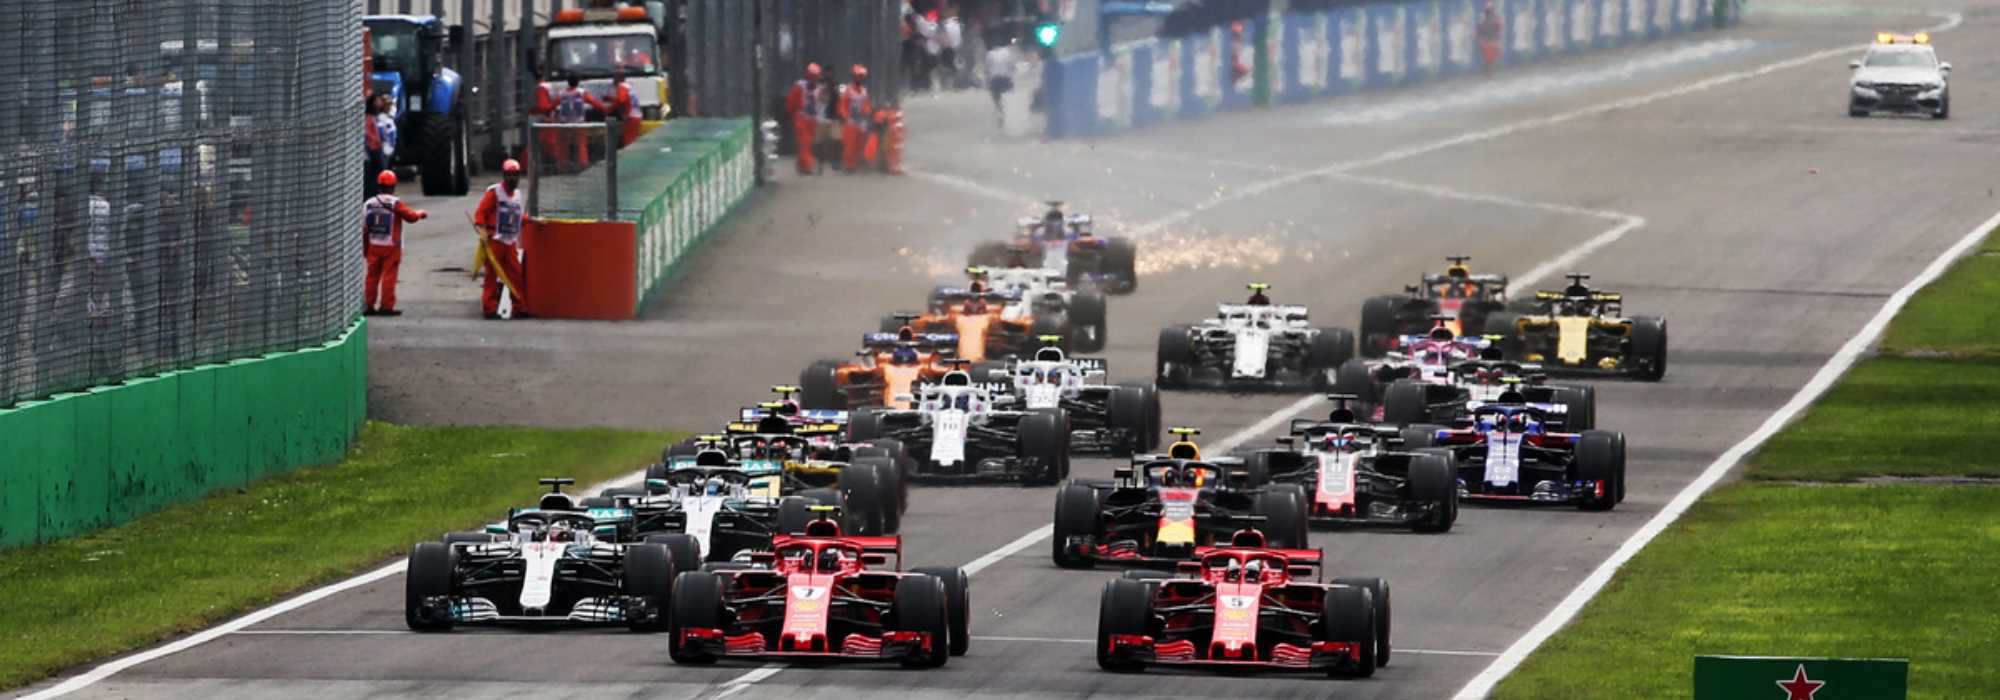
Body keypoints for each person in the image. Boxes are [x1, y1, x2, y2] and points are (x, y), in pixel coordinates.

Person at [361, 170, 427, 317]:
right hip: (391, 246)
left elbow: (364, 228)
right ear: (393, 186)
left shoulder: (369, 203)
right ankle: (386, 306)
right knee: (389, 276)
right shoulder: (394, 203)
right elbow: (411, 217)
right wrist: (420, 214)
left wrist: (365, 248)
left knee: (371, 277)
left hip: (373, 245)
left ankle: (369, 305)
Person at [474, 159, 529, 318]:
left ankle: (519, 307)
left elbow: (517, 217)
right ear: (504, 176)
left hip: (509, 241)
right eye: (509, 175)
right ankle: (490, 308)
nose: (512, 179)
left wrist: (532, 220)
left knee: (515, 274)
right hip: (494, 241)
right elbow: (481, 212)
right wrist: (483, 230)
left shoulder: (517, 195)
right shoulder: (495, 193)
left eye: (515, 175)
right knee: (492, 276)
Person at [553, 75, 605, 173]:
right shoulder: (582, 93)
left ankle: (562, 165)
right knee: (581, 144)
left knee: (563, 145)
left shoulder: (562, 94)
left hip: (565, 123)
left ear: (568, 82)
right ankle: (583, 164)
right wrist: (605, 109)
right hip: (579, 122)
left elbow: (553, 105)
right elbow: (595, 103)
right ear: (578, 82)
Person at [785, 63, 828, 174]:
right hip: (801, 118)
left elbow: (822, 104)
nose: (815, 78)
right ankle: (808, 166)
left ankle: (801, 165)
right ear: (808, 75)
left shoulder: (819, 89)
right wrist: (793, 115)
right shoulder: (799, 87)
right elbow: (791, 102)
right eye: (813, 76)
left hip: (813, 119)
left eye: (816, 76)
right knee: (805, 142)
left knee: (807, 144)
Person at [837, 65, 874, 173]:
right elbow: (842, 106)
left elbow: (867, 105)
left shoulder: (864, 91)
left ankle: (855, 164)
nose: (860, 79)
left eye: (862, 77)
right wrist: (846, 117)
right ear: (854, 77)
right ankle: (848, 166)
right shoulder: (847, 90)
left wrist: (867, 112)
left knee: (860, 144)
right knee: (849, 145)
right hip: (850, 122)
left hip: (861, 121)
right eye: (858, 76)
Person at [529, 65, 560, 171]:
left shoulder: (540, 88)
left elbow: (543, 106)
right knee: (552, 145)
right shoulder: (550, 86)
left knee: (544, 145)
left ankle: (547, 168)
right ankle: (554, 166)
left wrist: (535, 111)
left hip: (544, 120)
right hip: (551, 118)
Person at [605, 70, 643, 148]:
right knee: (632, 139)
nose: (613, 81)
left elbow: (621, 100)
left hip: (631, 117)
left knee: (628, 141)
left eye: (614, 78)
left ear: (618, 78)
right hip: (637, 116)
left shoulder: (621, 87)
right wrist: (610, 99)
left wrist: (609, 109)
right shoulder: (628, 87)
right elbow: (625, 99)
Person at [985, 36, 1016, 127]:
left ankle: (1000, 113)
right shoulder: (1007, 52)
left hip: (995, 80)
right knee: (1008, 99)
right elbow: (1011, 66)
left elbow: (987, 70)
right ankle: (1008, 115)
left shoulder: (989, 54)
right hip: (1006, 79)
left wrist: (987, 82)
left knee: (997, 100)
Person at [1477, 2, 1504, 73]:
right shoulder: (1489, 20)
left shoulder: (1483, 20)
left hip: (1488, 42)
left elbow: (1479, 31)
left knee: (1489, 58)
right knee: (1490, 58)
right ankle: (1488, 69)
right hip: (1490, 42)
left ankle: (1488, 69)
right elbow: (1499, 28)